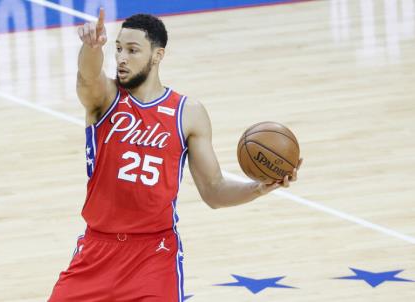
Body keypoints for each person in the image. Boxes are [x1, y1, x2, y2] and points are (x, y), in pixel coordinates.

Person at [48, 9, 301, 302]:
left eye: (132, 50)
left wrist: (258, 188)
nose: (121, 58)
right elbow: (88, 75)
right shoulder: (105, 99)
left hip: (153, 256)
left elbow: (214, 192)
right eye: (118, 49)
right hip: (97, 250)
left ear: (157, 55)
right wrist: (91, 48)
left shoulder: (188, 113)